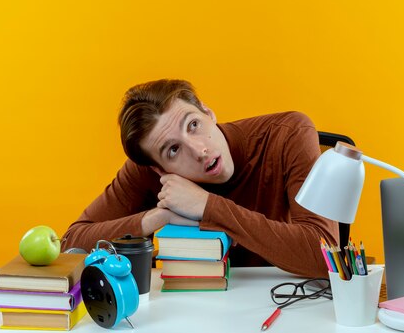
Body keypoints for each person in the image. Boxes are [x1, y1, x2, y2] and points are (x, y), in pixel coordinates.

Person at [61, 79, 339, 277]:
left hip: (284, 301)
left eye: (193, 125)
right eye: (173, 150)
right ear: (160, 170)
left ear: (208, 112)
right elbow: (71, 243)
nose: (199, 150)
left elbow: (325, 256)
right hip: (191, 309)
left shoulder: (288, 133)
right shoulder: (146, 170)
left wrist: (207, 206)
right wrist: (157, 218)